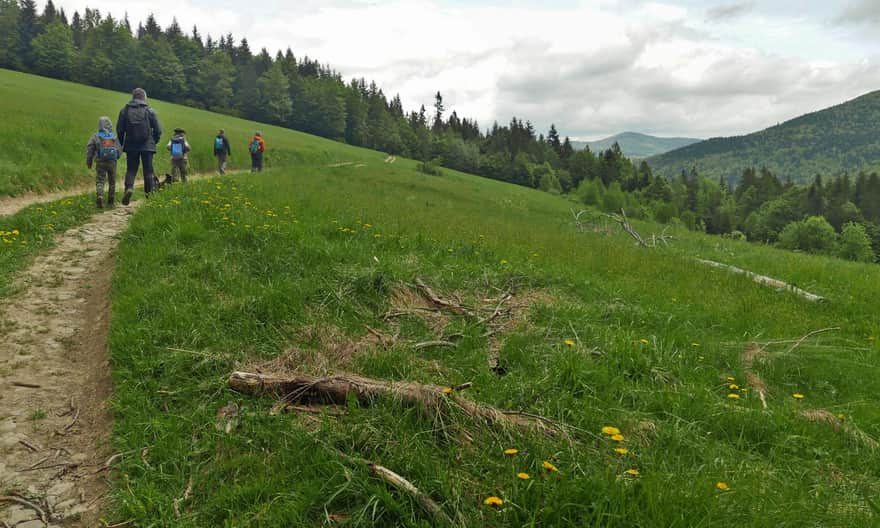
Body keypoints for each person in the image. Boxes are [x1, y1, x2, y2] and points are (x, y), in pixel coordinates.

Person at [116, 88, 162, 205]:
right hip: (147, 146)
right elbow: (158, 130)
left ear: (133, 97)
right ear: (144, 97)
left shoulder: (125, 110)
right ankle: (149, 196)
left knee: (131, 169)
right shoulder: (149, 110)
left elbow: (120, 130)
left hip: (131, 145)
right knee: (148, 171)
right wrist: (154, 141)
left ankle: (129, 188)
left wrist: (121, 144)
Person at [85, 116, 122, 208]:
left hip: (100, 161)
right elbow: (119, 149)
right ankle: (110, 202)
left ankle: (100, 196)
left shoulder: (96, 136)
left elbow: (90, 149)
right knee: (112, 181)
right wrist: (116, 157)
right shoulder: (114, 136)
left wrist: (89, 162)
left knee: (100, 180)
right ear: (110, 125)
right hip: (112, 162)